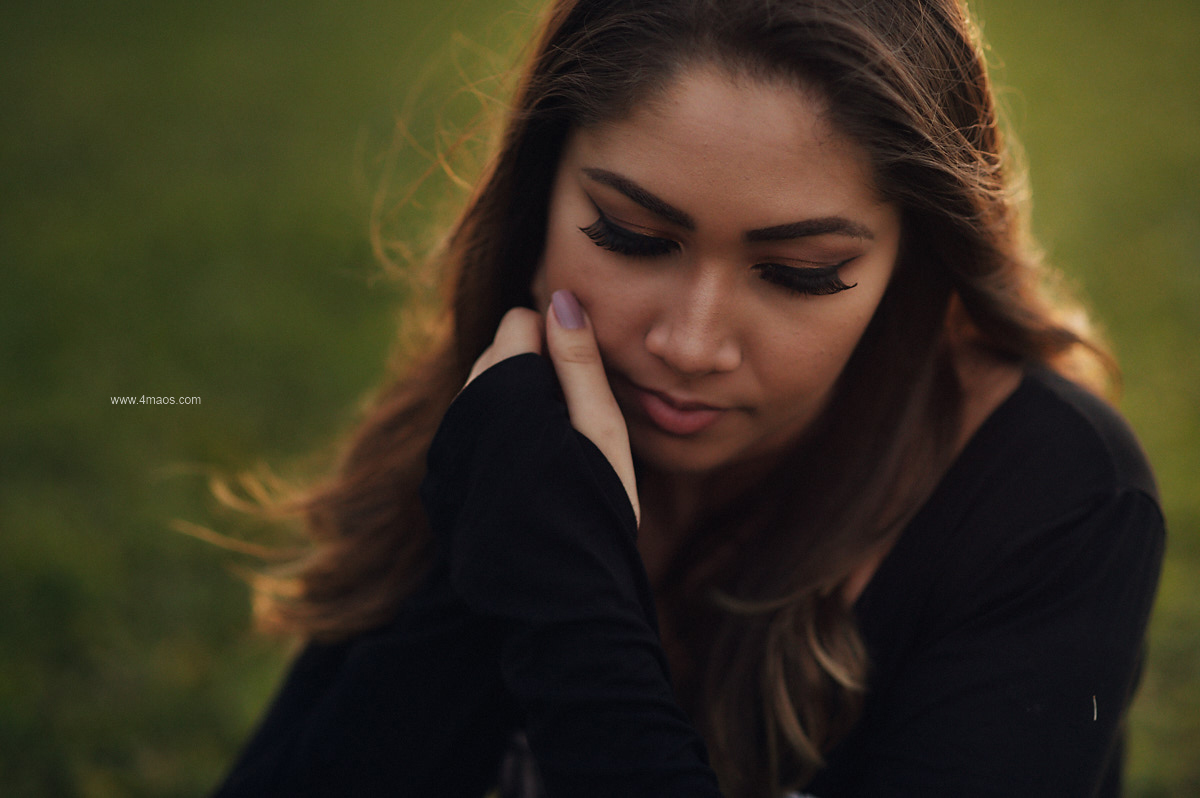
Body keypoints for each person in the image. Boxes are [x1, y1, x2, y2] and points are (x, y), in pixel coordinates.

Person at [213, 0, 1165, 795]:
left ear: (915, 261)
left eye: (800, 272)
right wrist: (486, 561)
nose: (690, 344)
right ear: (537, 195)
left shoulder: (1051, 498)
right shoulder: (511, 408)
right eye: (629, 236)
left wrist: (566, 606)